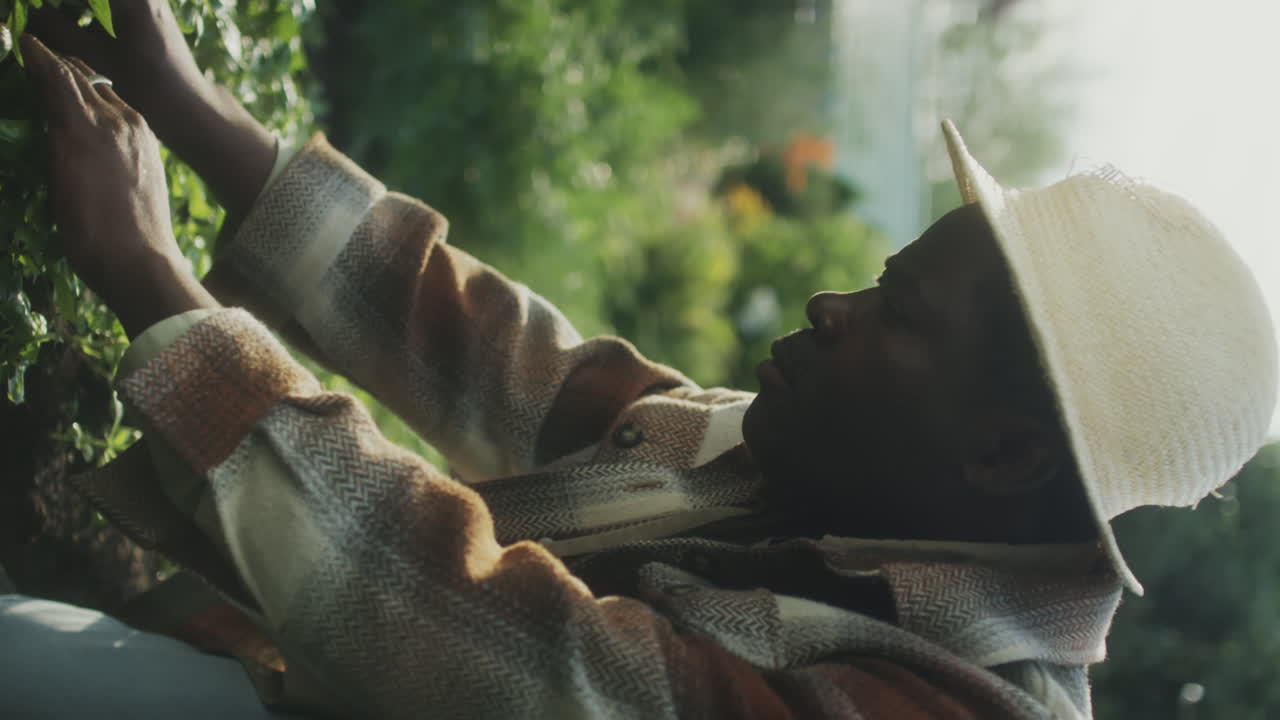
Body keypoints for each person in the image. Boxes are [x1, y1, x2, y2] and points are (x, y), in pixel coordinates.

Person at [3, 2, 1275, 718]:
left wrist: (156, 286)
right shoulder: (803, 472)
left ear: (999, 453)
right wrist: (186, 108)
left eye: (895, 312)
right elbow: (501, 354)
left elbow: (525, 668)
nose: (829, 303)